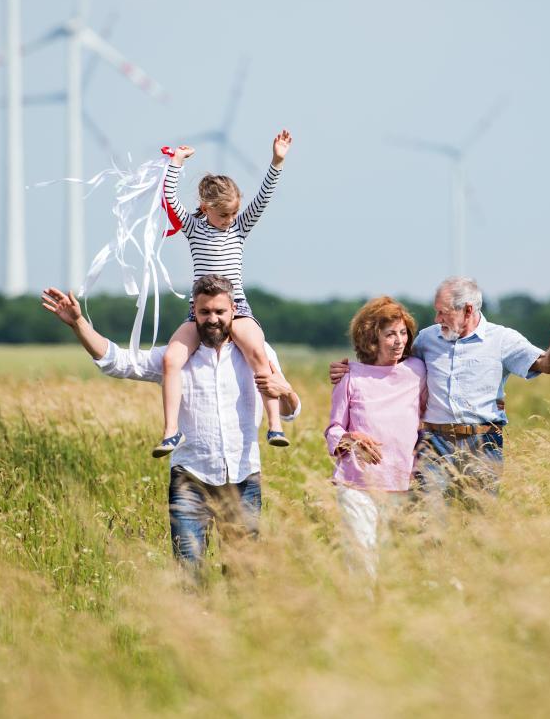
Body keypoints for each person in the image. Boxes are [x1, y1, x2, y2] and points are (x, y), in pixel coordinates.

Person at [42, 275, 303, 574]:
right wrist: (79, 324)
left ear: (234, 310)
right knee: (188, 573)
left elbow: (290, 412)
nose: (213, 320)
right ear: (195, 311)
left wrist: (287, 392)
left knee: (243, 575)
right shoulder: (176, 357)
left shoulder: (260, 353)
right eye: (205, 312)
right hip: (190, 478)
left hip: (244, 477)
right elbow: (120, 362)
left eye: (220, 312)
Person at [330, 276, 550, 504]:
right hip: (434, 442)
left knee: (479, 520)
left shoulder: (502, 339)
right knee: (428, 520)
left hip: (483, 441)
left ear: (468, 310)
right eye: (436, 312)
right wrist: (350, 371)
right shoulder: (427, 339)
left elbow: (549, 365)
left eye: (443, 313)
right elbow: (389, 367)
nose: (436, 319)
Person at [155, 130, 293, 459]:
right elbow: (170, 197)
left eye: (233, 213)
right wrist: (175, 162)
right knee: (171, 359)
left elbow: (263, 197)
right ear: (205, 208)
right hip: (200, 310)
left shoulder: (239, 227)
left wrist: (276, 161)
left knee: (258, 354)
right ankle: (171, 430)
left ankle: (275, 425)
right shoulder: (192, 226)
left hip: (237, 307)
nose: (229, 220)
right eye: (223, 215)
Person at [325, 296, 427, 580]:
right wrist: (351, 438)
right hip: (357, 485)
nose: (399, 341)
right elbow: (333, 429)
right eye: (390, 334)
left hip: (403, 483)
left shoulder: (417, 371)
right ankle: (361, 618)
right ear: (372, 338)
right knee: (361, 561)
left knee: (397, 565)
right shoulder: (350, 377)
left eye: (403, 333)